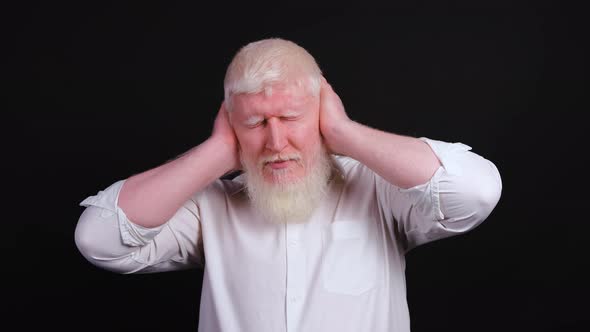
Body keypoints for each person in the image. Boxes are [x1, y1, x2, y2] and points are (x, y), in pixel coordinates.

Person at [75, 38, 502, 332]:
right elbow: (99, 239)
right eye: (256, 123)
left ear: (322, 110)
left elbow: (476, 191)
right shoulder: (212, 207)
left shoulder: (379, 190)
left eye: (292, 118)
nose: (276, 143)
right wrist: (219, 150)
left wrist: (345, 132)